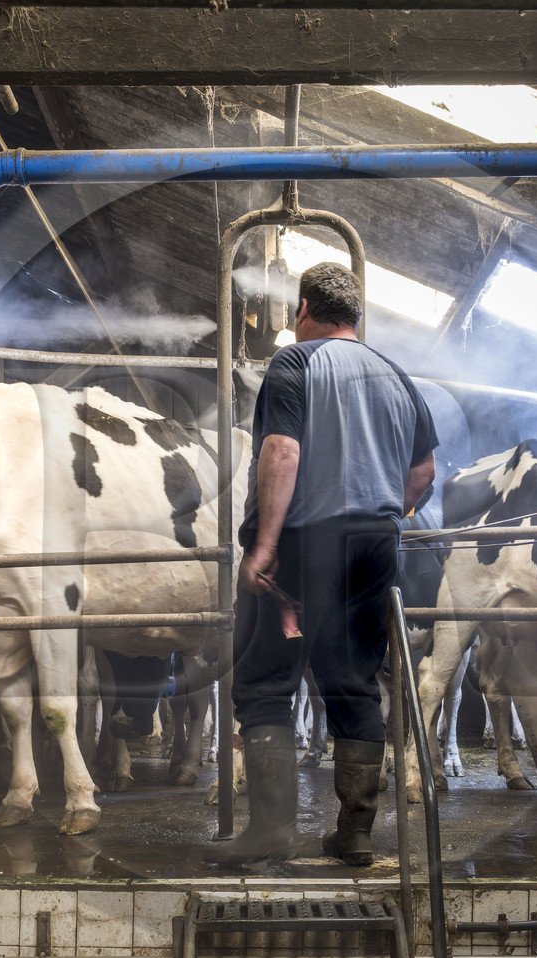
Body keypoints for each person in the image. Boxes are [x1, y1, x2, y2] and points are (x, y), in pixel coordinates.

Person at [208, 262, 437, 867]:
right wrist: (385, 511)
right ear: (354, 317)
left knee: (264, 681)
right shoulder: (396, 374)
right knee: (355, 680)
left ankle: (270, 831)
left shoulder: (295, 363)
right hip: (376, 547)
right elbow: (423, 474)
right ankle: (355, 834)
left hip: (307, 545)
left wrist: (264, 546)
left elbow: (281, 452)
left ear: (304, 308)